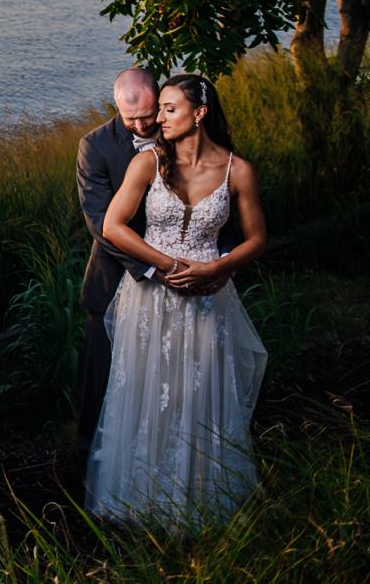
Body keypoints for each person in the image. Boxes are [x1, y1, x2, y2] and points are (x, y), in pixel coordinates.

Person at [87, 74, 268, 522]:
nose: (157, 120)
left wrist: (217, 268)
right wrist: (166, 265)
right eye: (158, 109)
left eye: (169, 109)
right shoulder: (147, 163)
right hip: (150, 299)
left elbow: (257, 239)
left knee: (201, 389)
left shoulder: (237, 170)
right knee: (147, 390)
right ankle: (141, 499)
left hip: (209, 296)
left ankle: (202, 499)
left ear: (199, 114)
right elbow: (112, 226)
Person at [75, 67, 162, 458]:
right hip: (113, 279)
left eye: (149, 115)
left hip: (174, 273)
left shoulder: (178, 132)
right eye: (132, 119)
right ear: (117, 108)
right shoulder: (93, 146)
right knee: (103, 375)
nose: (143, 125)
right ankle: (91, 454)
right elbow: (100, 222)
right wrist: (151, 268)